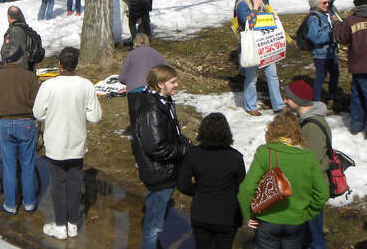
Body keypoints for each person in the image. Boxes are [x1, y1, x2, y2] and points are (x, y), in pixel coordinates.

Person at [34, 47, 102, 240]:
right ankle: (72, 224)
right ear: (76, 65)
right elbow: (95, 116)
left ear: (59, 65)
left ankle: (61, 225)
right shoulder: (86, 85)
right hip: (76, 143)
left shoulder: (49, 86)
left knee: (57, 184)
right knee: (74, 183)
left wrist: (52, 114)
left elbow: (38, 113)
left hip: (56, 143)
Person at [237, 111, 328, 249]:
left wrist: (248, 215)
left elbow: (246, 189)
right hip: (296, 221)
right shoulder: (308, 156)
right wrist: (308, 213)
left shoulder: (265, 152)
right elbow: (322, 193)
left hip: (267, 220)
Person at [131, 65, 189, 249]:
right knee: (153, 226)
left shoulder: (164, 101)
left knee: (157, 216)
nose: (176, 85)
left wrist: (184, 143)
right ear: (160, 84)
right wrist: (183, 150)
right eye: (173, 82)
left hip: (165, 172)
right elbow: (157, 147)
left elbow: (171, 131)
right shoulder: (151, 110)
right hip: (159, 174)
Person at [0, 41, 41, 215]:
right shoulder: (29, 77)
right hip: (26, 123)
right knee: (28, 165)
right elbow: (38, 103)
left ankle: (10, 204)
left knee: (9, 166)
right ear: (20, 57)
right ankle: (29, 203)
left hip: (5, 124)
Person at [177, 113, 245, 249]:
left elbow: (183, 184)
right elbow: (241, 186)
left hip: (201, 214)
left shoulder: (194, 155)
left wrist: (199, 190)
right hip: (227, 216)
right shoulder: (235, 157)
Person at [283, 79, 330, 249]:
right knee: (306, 236)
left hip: (311, 191)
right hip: (306, 189)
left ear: (296, 101)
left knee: (314, 240)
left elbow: (312, 162)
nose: (285, 101)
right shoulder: (305, 122)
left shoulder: (312, 127)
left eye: (287, 97)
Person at [235, 0, 285, 116]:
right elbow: (249, 22)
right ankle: (251, 106)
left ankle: (278, 105)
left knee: (272, 75)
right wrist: (256, 8)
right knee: (252, 78)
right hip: (252, 46)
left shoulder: (262, 5)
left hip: (265, 44)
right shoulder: (242, 5)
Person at [334, 0, 367, 135]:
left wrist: (336, 25)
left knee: (357, 95)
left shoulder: (350, 21)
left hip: (358, 65)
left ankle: (356, 125)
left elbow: (341, 38)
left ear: (356, 4)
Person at [118, 33, 167, 132]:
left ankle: (139, 142)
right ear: (149, 42)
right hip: (154, 92)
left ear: (135, 43)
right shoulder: (157, 54)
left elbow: (122, 77)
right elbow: (166, 74)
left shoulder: (131, 54)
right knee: (155, 122)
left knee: (137, 123)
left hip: (135, 92)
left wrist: (130, 82)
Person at [305, 0, 340, 104]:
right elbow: (314, 36)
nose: (327, 5)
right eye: (324, 3)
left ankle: (332, 97)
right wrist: (332, 34)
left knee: (335, 74)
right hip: (320, 54)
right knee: (321, 77)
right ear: (316, 3)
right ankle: (316, 100)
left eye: (328, 2)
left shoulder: (328, 15)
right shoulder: (313, 18)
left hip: (331, 52)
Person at [2, 5, 43, 72]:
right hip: (29, 69)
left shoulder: (16, 31)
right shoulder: (25, 27)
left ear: (9, 17)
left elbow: (19, 54)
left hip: (20, 72)